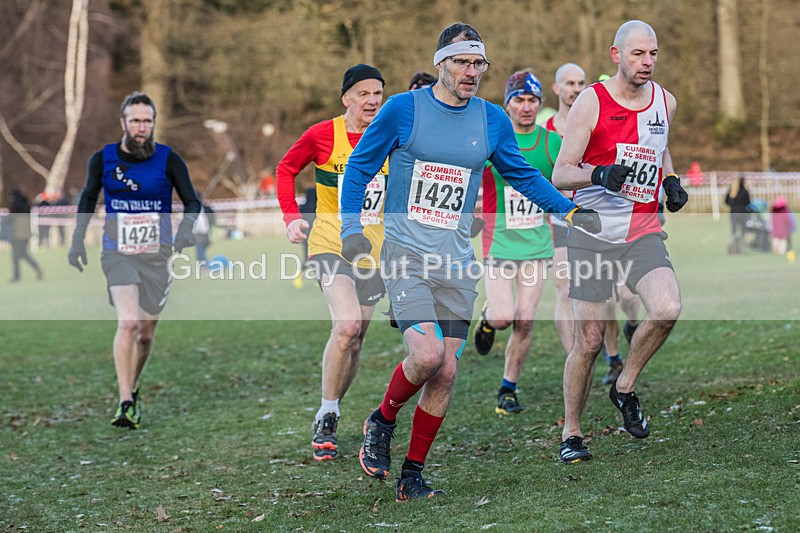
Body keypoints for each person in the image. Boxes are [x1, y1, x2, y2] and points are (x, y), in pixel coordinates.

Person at [340, 22, 601, 499]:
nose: (471, 71)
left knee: (446, 371)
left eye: (478, 63)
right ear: (441, 63)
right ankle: (382, 419)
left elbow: (522, 175)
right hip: (406, 255)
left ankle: (412, 475)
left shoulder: (491, 119)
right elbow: (359, 167)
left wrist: (567, 210)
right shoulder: (402, 109)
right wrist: (351, 229)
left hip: (457, 263)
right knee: (426, 355)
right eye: (461, 62)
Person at [552, 20, 688, 463]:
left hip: (641, 230)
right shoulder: (591, 101)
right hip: (592, 233)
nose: (647, 62)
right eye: (638, 54)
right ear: (616, 55)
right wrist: (598, 174)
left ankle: (624, 386)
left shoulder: (665, 101)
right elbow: (560, 172)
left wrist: (670, 180)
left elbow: (659, 147)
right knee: (590, 341)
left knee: (667, 308)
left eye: (653, 54)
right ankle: (572, 432)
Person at [68, 91, 201, 429]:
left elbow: (192, 202)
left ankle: (134, 385)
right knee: (128, 323)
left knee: (145, 333)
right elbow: (88, 197)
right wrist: (77, 240)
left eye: (147, 121)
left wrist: (185, 231)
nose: (142, 127)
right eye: (135, 120)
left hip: (158, 257)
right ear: (123, 123)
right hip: (118, 253)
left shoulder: (169, 159)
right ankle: (125, 401)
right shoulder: (103, 159)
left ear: (153, 123)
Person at [276, 64, 388, 462]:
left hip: (373, 252)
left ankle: (333, 408)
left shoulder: (390, 136)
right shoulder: (322, 134)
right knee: (347, 325)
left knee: (356, 341)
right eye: (363, 94)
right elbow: (286, 169)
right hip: (329, 243)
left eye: (377, 93)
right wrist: (291, 216)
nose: (372, 101)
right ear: (346, 98)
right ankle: (326, 413)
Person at [471, 70, 561, 415]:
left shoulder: (551, 144)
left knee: (525, 321)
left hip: (538, 246)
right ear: (507, 104)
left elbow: (567, 179)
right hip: (499, 244)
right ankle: (488, 317)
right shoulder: (491, 138)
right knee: (504, 317)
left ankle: (507, 389)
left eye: (532, 100)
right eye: (519, 100)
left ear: (540, 103)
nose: (526, 107)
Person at [545, 64, 636, 385]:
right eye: (569, 83)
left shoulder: (598, 117)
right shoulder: (545, 130)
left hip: (599, 217)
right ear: (557, 88)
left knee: (612, 295)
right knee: (564, 289)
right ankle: (577, 362)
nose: (575, 88)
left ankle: (613, 353)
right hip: (561, 218)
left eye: (580, 83)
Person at [8, 189, 44, 282]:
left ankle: (17, 276)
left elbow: (11, 220)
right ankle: (36, 267)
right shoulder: (26, 205)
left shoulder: (15, 206)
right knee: (22, 254)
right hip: (26, 234)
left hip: (18, 234)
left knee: (16, 255)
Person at [725, 177, 750, 254]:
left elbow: (726, 201)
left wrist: (733, 206)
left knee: (733, 230)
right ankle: (741, 247)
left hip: (734, 213)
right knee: (743, 231)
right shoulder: (745, 192)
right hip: (743, 213)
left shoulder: (731, 191)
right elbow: (748, 202)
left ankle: (731, 245)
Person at [771, 196, 796, 263]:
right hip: (783, 230)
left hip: (776, 230)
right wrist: (791, 227)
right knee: (782, 242)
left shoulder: (774, 213)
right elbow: (788, 221)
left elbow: (772, 221)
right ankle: (781, 252)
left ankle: (776, 250)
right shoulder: (785, 212)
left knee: (776, 240)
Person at [193, 203, 214, 267]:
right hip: (203, 235)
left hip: (200, 235)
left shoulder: (199, 214)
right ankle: (204, 265)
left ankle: (204, 266)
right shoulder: (203, 213)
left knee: (200, 252)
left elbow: (200, 226)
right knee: (201, 252)